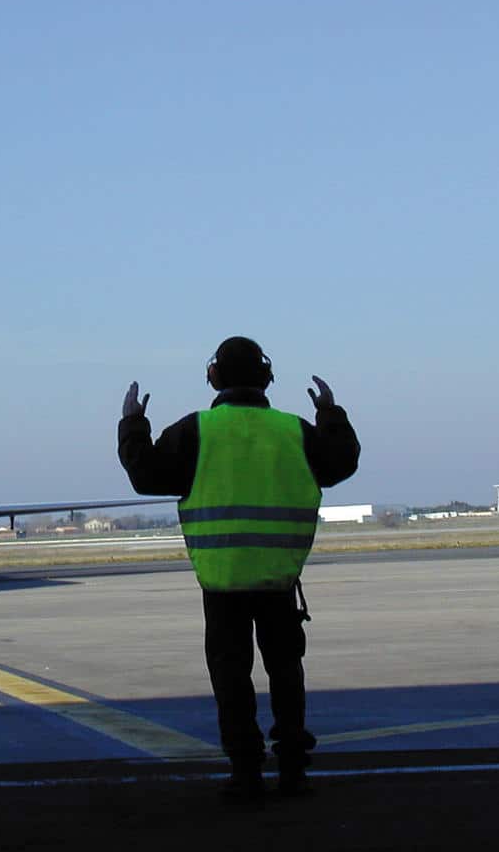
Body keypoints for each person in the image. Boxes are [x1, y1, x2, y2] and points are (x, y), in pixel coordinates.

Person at [117, 336, 360, 802]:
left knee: (231, 677)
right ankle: (293, 771)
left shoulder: (194, 431)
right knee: (286, 672)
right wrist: (330, 414)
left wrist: (132, 424)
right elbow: (342, 461)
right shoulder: (293, 430)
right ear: (266, 377)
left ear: (213, 377)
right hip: (278, 577)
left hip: (222, 579)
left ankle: (246, 773)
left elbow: (144, 475)